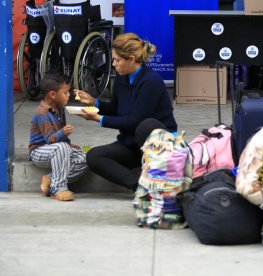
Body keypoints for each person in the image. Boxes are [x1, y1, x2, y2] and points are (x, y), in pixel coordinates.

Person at [74, 32, 177, 192]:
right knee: (94, 156)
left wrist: (99, 119)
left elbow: (135, 120)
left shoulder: (151, 81)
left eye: (117, 60)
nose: (113, 64)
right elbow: (117, 109)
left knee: (146, 125)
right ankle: (143, 187)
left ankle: (164, 176)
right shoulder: (121, 79)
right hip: (132, 145)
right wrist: (95, 103)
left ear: (131, 59)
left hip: (158, 145)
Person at [29, 71, 87, 201]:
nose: (68, 96)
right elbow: (50, 140)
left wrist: (69, 144)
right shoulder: (42, 113)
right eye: (65, 93)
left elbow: (61, 139)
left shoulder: (60, 109)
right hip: (39, 150)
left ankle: (50, 178)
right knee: (61, 148)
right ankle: (58, 188)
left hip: (57, 148)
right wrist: (63, 134)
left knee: (85, 158)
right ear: (53, 94)